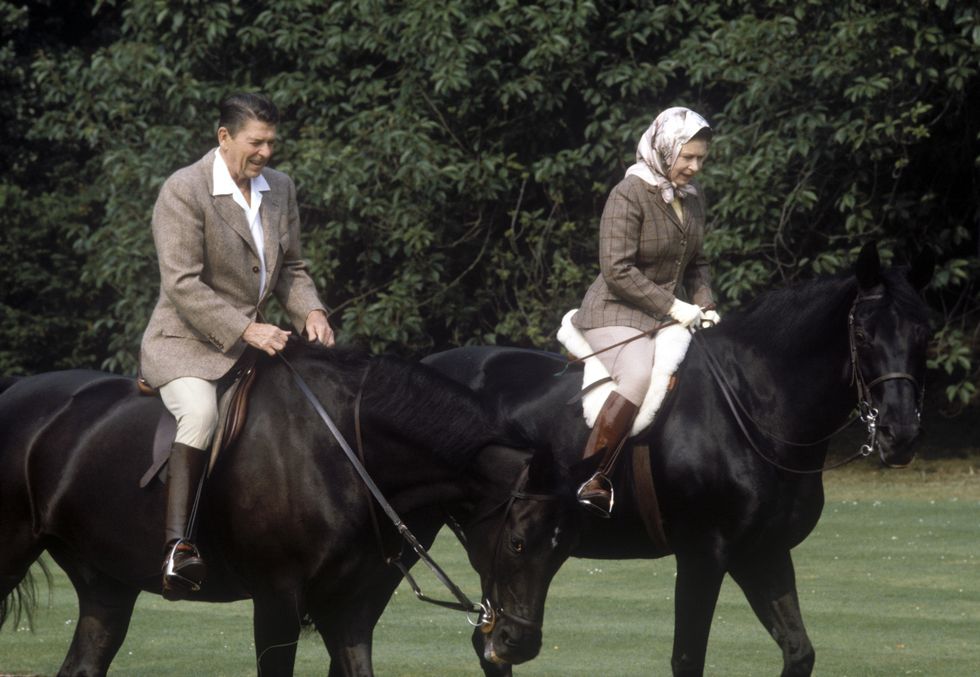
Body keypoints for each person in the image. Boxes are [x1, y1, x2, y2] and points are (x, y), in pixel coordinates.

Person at [139, 92, 334, 597]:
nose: (266, 152)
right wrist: (246, 329)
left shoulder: (280, 188)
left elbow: (291, 269)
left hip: (257, 343)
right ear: (224, 137)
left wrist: (311, 310)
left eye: (272, 142)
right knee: (200, 414)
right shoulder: (184, 189)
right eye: (257, 142)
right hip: (185, 341)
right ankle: (177, 548)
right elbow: (182, 285)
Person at [571, 107, 721, 517]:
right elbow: (616, 269)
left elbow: (697, 262)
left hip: (666, 315)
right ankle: (594, 477)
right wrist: (674, 305)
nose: (694, 166)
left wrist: (704, 304)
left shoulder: (691, 198)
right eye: (687, 157)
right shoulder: (629, 193)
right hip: (614, 311)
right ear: (664, 148)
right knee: (638, 376)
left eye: (701, 159)